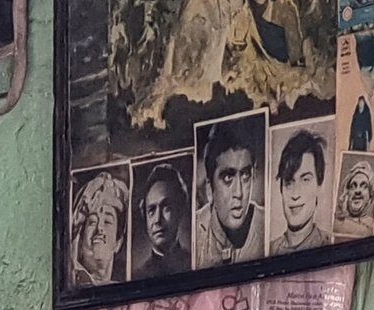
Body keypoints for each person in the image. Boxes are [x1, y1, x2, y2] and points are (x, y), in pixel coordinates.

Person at [192, 120, 264, 266]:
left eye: (245, 175)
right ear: (209, 188)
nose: (239, 193)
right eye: (227, 178)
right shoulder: (193, 233)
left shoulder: (267, 225)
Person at [270, 128, 331, 253]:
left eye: (305, 180)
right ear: (281, 190)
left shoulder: (331, 244)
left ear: (319, 186)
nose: (295, 194)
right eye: (289, 183)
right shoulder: (268, 251)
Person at [70, 171, 129, 287]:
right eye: (92, 222)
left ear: (118, 242)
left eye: (107, 221)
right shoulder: (71, 284)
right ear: (80, 238)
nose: (100, 228)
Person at [132, 163, 191, 280]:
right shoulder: (137, 276)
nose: (158, 220)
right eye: (151, 210)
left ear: (180, 210)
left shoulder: (193, 264)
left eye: (166, 208)